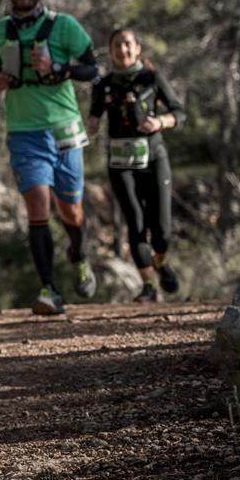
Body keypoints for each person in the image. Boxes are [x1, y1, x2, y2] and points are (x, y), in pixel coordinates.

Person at [0, 0, 100, 316]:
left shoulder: (64, 26)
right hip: (23, 131)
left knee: (71, 210)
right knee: (37, 206)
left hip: (64, 126)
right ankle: (49, 289)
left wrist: (58, 69)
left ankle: (79, 253)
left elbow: (93, 69)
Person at [87, 28, 185, 302]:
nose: (123, 50)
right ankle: (148, 287)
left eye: (128, 45)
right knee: (136, 222)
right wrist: (92, 124)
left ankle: (161, 263)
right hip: (120, 164)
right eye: (117, 45)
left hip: (153, 159)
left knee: (162, 230)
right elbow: (94, 117)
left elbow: (179, 111)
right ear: (111, 51)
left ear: (138, 48)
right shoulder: (104, 85)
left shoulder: (151, 78)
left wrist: (160, 122)